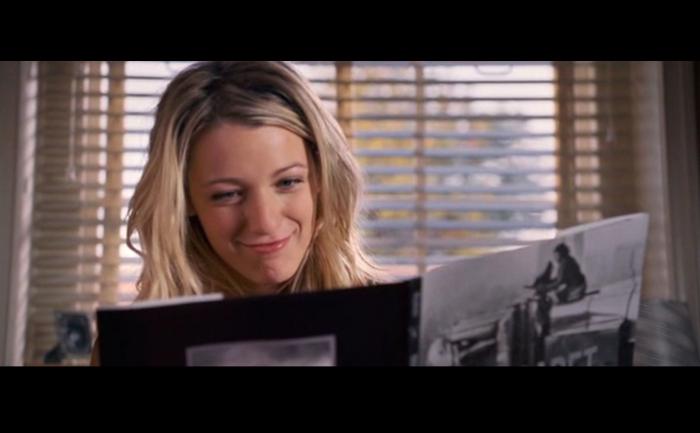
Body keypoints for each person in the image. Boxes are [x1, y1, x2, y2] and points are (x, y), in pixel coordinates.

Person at [91, 61, 386, 365]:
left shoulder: (388, 324)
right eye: (227, 194)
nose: (264, 222)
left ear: (321, 175)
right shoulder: (136, 348)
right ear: (184, 199)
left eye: (288, 182)